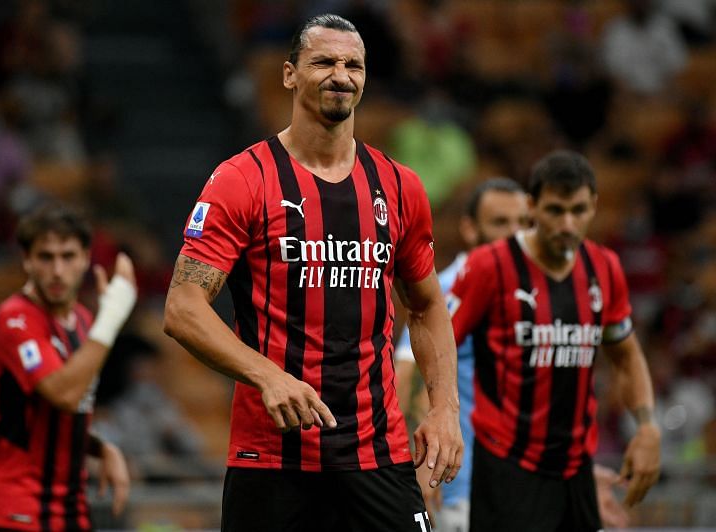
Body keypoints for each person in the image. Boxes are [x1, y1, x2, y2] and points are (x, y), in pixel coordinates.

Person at [163, 13, 463, 532]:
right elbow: (183, 307)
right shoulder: (243, 180)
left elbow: (426, 303)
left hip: (377, 449)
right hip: (272, 456)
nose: (340, 75)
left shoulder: (399, 187)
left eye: (353, 65)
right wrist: (268, 376)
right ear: (289, 74)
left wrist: (444, 410)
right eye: (323, 61)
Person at [448, 150, 660, 531]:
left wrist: (646, 426)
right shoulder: (489, 266)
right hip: (507, 466)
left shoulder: (604, 267)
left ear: (594, 205)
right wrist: (437, 422)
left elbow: (627, 356)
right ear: (532, 206)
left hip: (576, 467)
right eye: (555, 210)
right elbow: (438, 346)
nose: (567, 223)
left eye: (578, 211)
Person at [0, 203, 138, 531]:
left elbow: (62, 412)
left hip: (70, 511)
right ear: (27, 261)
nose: (58, 270)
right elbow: (63, 393)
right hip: (15, 510)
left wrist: (101, 446)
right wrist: (112, 317)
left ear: (86, 258)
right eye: (46, 257)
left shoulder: (84, 322)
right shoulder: (15, 320)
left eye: (68, 256)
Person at [395, 177, 530, 531]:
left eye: (522, 223)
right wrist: (424, 466)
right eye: (500, 223)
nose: (514, 235)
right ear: (470, 229)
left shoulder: (540, 294)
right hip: (466, 491)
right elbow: (407, 377)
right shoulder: (449, 290)